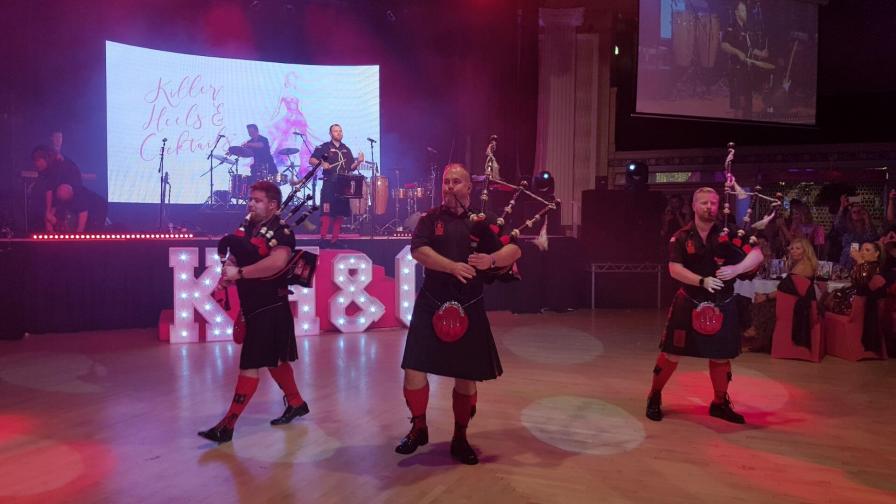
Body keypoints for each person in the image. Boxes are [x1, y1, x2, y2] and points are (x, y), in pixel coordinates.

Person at [395, 163, 521, 465]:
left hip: (469, 303)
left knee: (465, 378)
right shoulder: (429, 219)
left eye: (456, 181)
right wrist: (452, 266)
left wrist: (490, 259)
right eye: (445, 181)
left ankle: (460, 436)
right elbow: (418, 251)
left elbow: (515, 250)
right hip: (432, 300)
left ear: (469, 187)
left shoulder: (486, 221)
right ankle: (419, 427)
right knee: (414, 368)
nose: (449, 186)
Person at [198, 180, 309, 443]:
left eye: (257, 200)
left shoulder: (282, 232)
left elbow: (277, 262)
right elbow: (237, 250)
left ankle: (228, 425)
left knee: (250, 364)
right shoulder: (248, 225)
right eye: (251, 199)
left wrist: (241, 273)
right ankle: (296, 402)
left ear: (272, 205)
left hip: (271, 304)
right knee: (275, 360)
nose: (251, 203)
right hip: (253, 303)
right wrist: (228, 273)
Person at [646, 187, 763, 424]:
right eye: (704, 203)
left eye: (713, 203)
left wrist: (736, 269)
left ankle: (719, 404)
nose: (709, 207)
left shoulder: (729, 233)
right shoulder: (680, 236)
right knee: (671, 354)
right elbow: (674, 269)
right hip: (689, 301)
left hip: (723, 303)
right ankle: (654, 395)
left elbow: (757, 254)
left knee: (721, 357)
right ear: (694, 206)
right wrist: (701, 280)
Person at [743, 238, 818, 352]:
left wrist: (766, 296)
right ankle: (754, 333)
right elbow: (786, 290)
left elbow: (785, 289)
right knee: (760, 303)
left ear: (806, 250)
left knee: (761, 305)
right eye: (792, 248)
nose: (793, 251)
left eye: (798, 248)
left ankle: (754, 333)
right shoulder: (801, 264)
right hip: (795, 303)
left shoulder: (803, 267)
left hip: (799, 309)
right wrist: (766, 295)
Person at [309, 124, 364, 244]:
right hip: (329, 183)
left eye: (340, 131)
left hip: (343, 184)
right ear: (330, 134)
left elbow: (351, 167)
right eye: (335, 131)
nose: (339, 133)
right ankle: (323, 238)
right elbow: (311, 159)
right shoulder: (324, 147)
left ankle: (335, 238)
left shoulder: (346, 149)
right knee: (327, 211)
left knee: (340, 212)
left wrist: (358, 162)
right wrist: (322, 164)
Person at [720, 1, 768, 119]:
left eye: (745, 11)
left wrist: (760, 53)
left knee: (748, 104)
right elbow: (724, 45)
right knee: (738, 106)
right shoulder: (731, 28)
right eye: (742, 11)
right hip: (737, 71)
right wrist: (737, 52)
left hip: (747, 71)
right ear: (736, 12)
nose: (745, 13)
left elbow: (749, 49)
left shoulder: (746, 29)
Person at [833, 196, 879, 270]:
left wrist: (867, 220)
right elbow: (837, 224)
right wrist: (842, 207)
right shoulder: (847, 227)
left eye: (859, 211)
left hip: (863, 259)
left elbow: (873, 238)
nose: (856, 213)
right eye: (854, 212)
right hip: (846, 259)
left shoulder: (868, 228)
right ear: (850, 215)